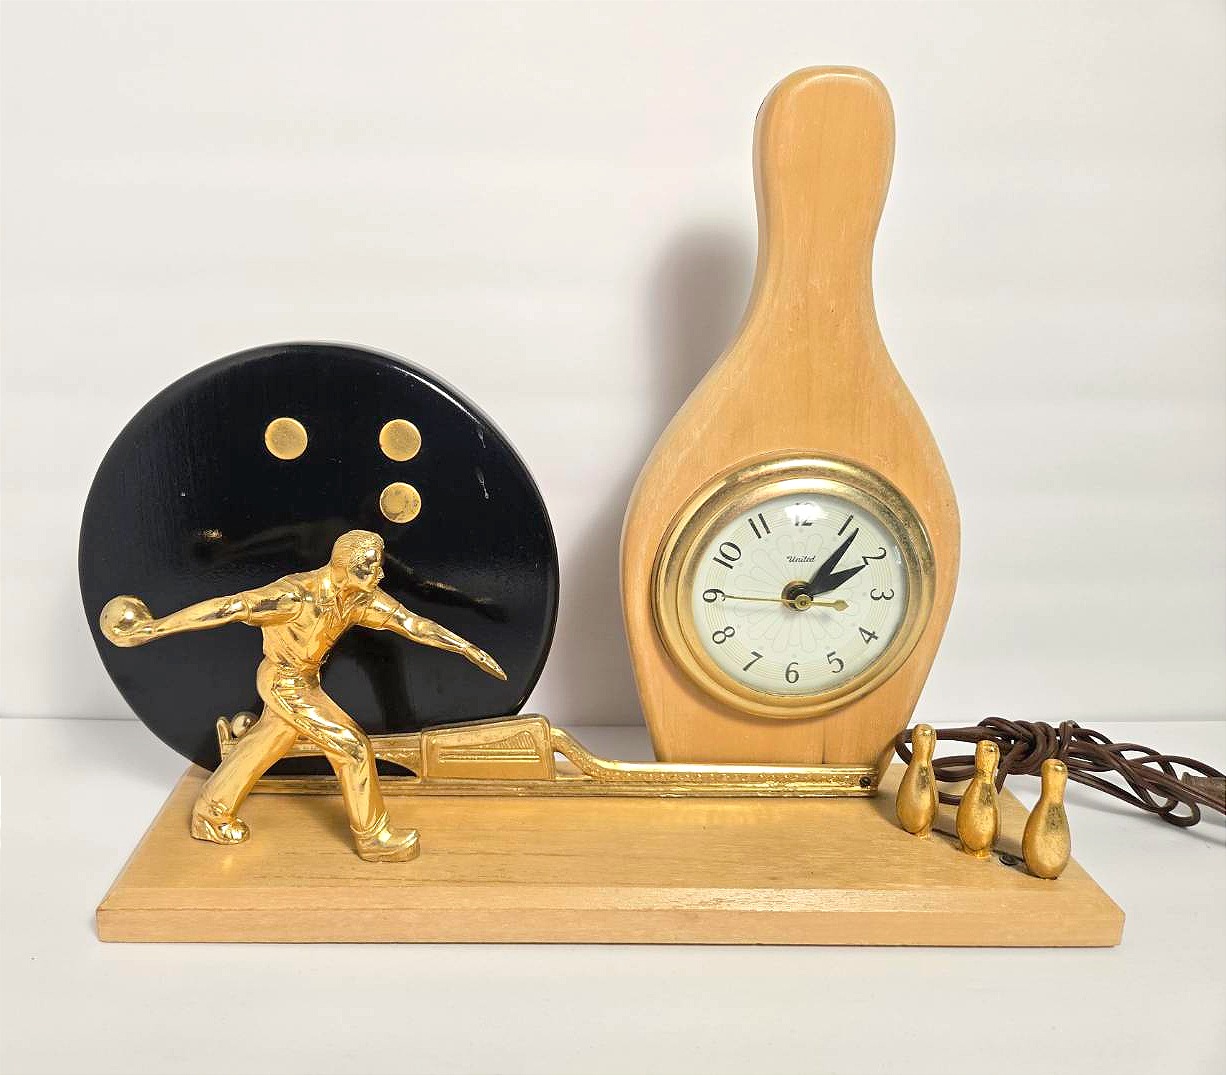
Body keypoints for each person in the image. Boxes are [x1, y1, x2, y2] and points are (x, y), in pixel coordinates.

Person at [100, 529, 505, 862]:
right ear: (343, 567)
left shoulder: (357, 598)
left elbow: (412, 624)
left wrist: (465, 648)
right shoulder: (295, 596)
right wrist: (152, 629)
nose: (380, 573)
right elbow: (229, 607)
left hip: (305, 681)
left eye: (378, 565)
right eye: (370, 567)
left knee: (265, 744)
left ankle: (211, 813)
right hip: (282, 682)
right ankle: (373, 838)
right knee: (352, 747)